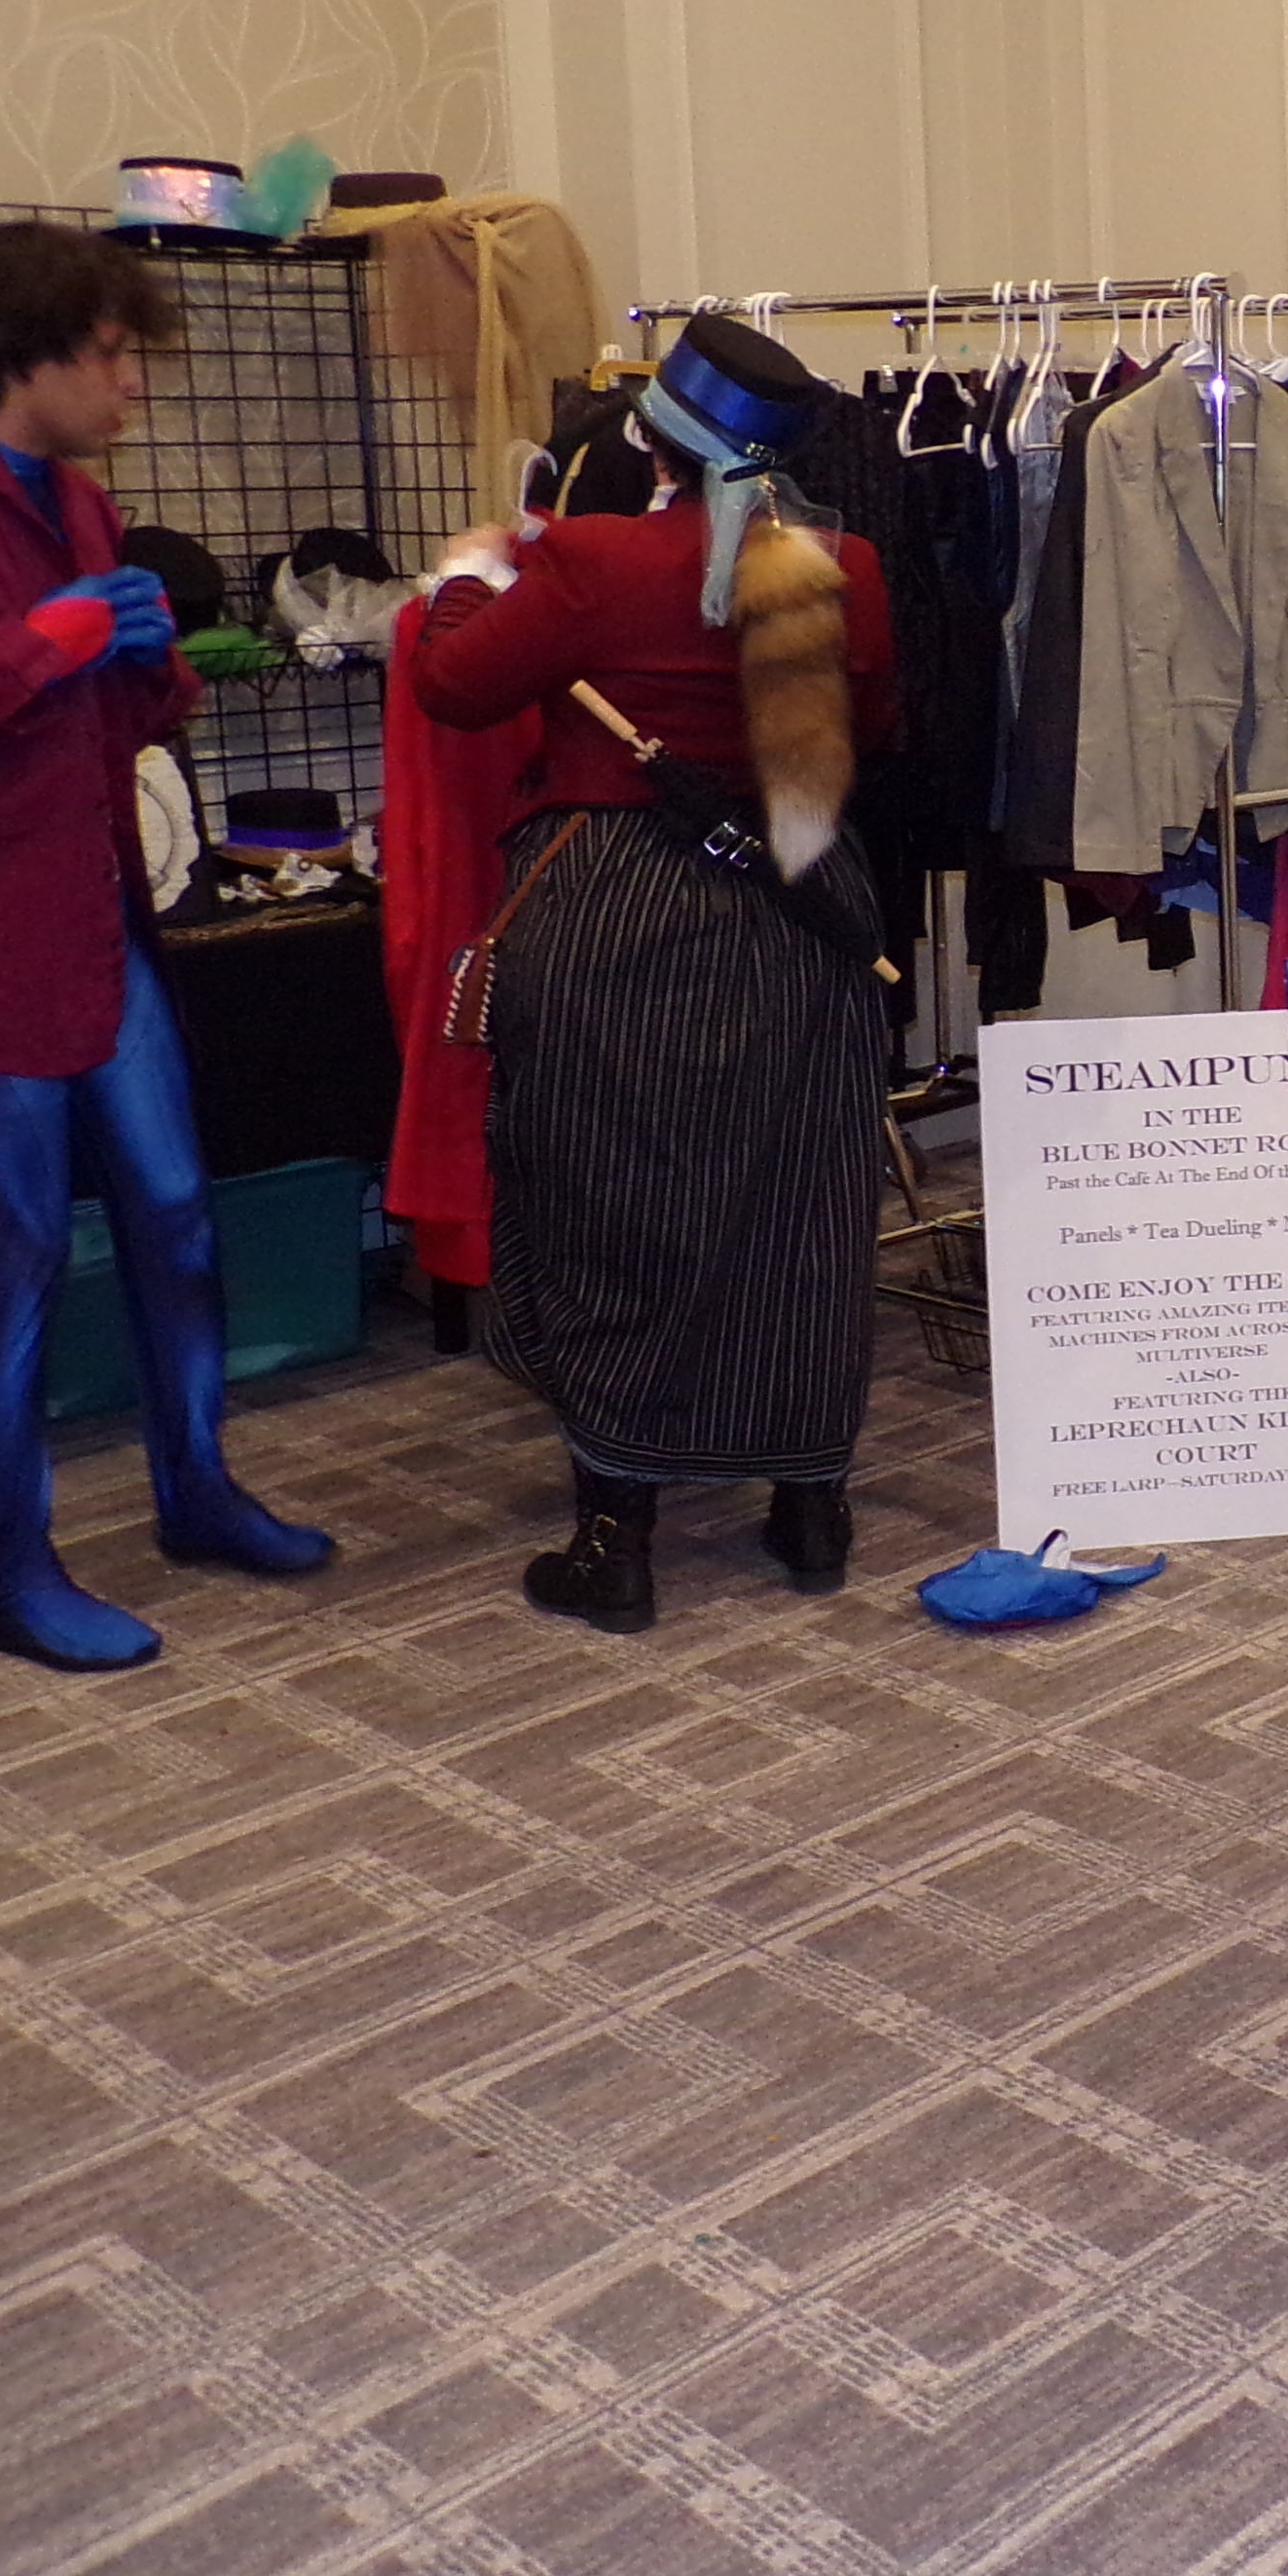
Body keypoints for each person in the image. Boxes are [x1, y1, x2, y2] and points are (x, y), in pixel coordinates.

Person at [0, 223, 335, 1669]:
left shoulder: (81, 505)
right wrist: (35, 650)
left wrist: (151, 670)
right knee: (14, 1251)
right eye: (107, 355)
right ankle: (15, 1576)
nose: (129, 383)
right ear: (21, 356)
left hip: (100, 921)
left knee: (176, 1210)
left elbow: (107, 723)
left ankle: (197, 1490)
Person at [411, 316, 896, 1630]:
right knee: (800, 1203)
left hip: (618, 912)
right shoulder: (844, 567)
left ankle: (615, 1540)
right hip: (797, 908)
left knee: (611, 1201)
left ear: (647, 439)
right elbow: (873, 729)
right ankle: (810, 1505)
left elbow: (454, 686)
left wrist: (467, 579)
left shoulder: (590, 559)